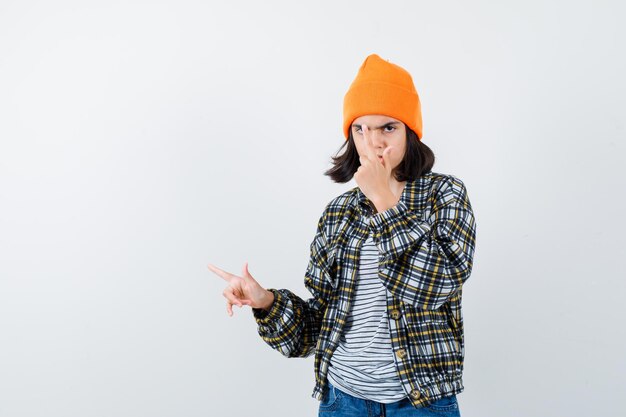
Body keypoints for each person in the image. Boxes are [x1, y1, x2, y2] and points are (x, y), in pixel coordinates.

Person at [208, 54, 477, 416]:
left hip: (421, 402)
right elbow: (316, 328)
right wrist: (267, 302)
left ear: (410, 132)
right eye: (360, 129)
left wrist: (383, 198)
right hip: (342, 400)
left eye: (388, 128)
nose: (373, 144)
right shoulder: (338, 213)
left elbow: (438, 285)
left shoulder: (444, 194)